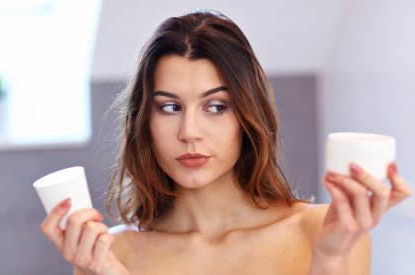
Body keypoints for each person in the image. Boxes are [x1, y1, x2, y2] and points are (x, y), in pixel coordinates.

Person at [41, 10, 412, 275]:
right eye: (170, 107)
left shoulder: (326, 232)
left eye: (215, 107)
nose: (189, 131)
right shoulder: (111, 253)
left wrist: (330, 260)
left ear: (247, 116)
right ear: (145, 122)